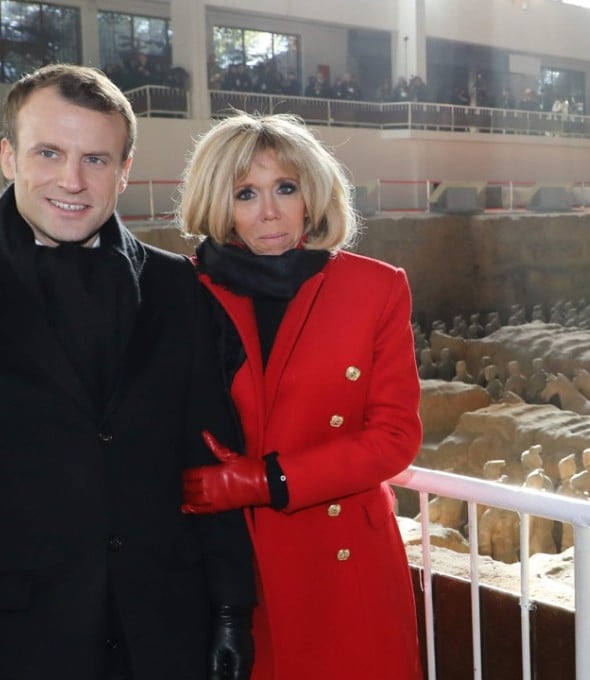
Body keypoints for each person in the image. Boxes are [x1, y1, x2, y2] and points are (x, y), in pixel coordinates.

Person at [0, 64, 255, 679]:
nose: (72, 179)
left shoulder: (177, 286)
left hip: (163, 629)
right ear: (7, 158)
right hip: (21, 637)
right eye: (49, 152)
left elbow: (209, 451)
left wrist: (229, 610)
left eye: (96, 159)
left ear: (124, 172)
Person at [177, 111, 423, 679]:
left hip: (345, 566)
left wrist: (266, 479)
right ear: (220, 203)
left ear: (311, 195)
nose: (269, 211)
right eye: (246, 193)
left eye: (285, 188)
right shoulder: (183, 290)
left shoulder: (377, 288)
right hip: (233, 569)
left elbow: (395, 439)